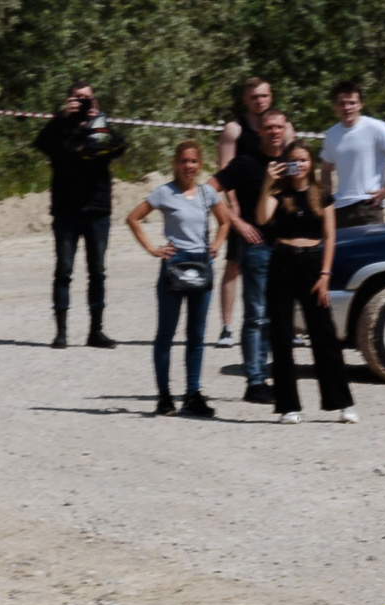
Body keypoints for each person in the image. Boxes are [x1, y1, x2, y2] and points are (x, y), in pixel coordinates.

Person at [253, 140, 355, 424]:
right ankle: (288, 406)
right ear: (286, 163)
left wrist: (325, 275)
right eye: (294, 160)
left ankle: (342, 402)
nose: (300, 165)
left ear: (311, 164)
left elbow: (331, 237)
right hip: (282, 261)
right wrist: (267, 182)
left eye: (305, 160)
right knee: (281, 335)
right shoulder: (278, 192)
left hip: (313, 264)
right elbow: (261, 218)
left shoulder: (321, 193)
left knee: (324, 333)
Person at [125, 139, 223, 417]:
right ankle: (164, 396)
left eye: (193, 161)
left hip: (202, 264)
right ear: (175, 164)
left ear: (200, 164)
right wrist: (153, 249)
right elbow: (133, 218)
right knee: (166, 333)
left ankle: (193, 393)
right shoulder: (164, 193)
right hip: (175, 264)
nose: (188, 166)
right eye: (184, 161)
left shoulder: (207, 194)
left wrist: (217, 244)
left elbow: (225, 221)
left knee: (197, 334)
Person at [34, 82, 129, 349]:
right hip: (66, 210)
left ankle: (96, 331)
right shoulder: (60, 128)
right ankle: (61, 332)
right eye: (78, 98)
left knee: (97, 271)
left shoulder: (101, 127)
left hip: (97, 210)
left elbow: (121, 146)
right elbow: (42, 144)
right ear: (68, 100)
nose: (83, 103)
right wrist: (63, 117)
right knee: (64, 270)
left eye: (88, 98)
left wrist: (98, 122)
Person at [218, 106, 294, 405]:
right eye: (269, 128)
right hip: (259, 248)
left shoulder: (293, 164)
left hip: (288, 248)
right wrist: (237, 223)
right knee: (257, 316)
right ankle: (255, 382)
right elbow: (210, 193)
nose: (275, 132)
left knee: (280, 317)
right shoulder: (245, 164)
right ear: (259, 131)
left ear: (286, 129)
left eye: (279, 127)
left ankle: (274, 377)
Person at [215, 77, 276, 348]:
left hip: (273, 208)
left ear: (270, 97)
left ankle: (283, 324)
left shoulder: (279, 124)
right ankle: (227, 327)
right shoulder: (234, 129)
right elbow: (224, 168)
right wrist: (232, 206)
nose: (259, 101)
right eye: (254, 97)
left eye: (263, 96)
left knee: (279, 267)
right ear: (245, 99)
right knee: (234, 266)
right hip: (242, 211)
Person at [320, 82, 385, 228]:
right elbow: (325, 170)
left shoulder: (375, 127)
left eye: (352, 103)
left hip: (369, 205)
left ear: (360, 104)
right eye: (342, 103)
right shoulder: (331, 134)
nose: (347, 108)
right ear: (335, 106)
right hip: (340, 208)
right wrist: (326, 199)